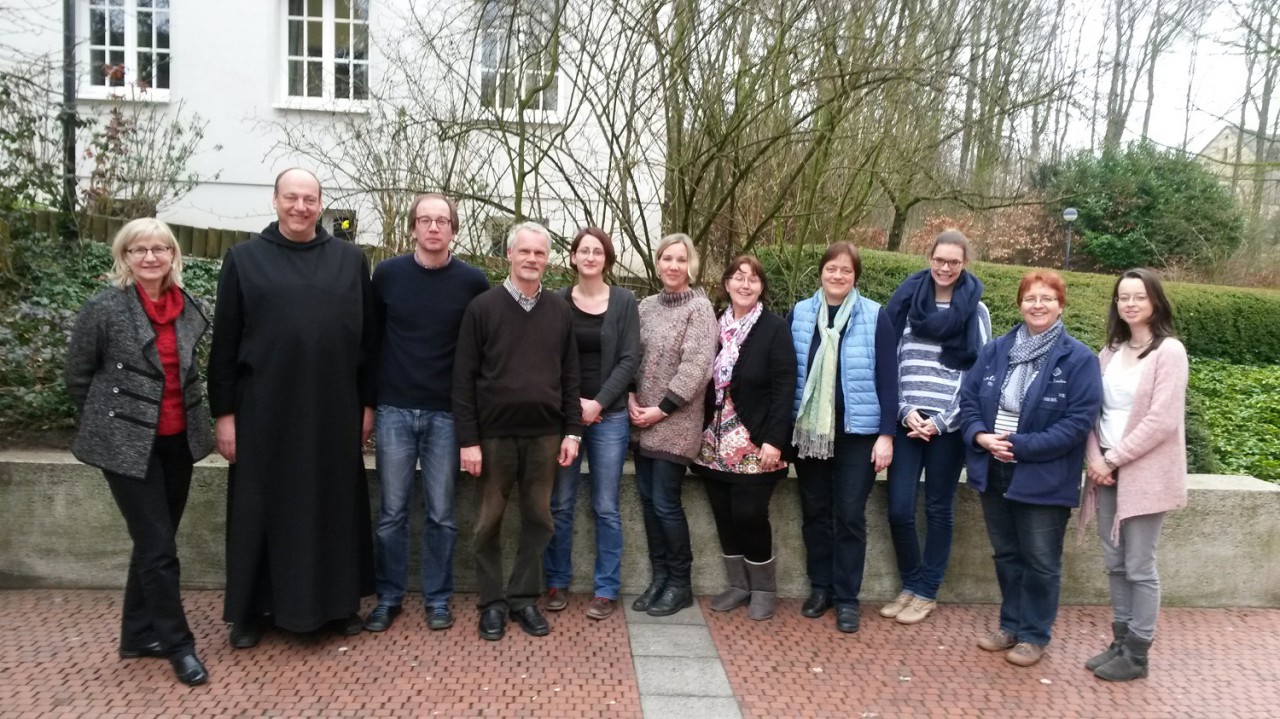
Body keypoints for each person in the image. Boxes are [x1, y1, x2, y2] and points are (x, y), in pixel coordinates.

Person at [208, 168, 377, 648]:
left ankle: (339, 605)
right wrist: (225, 416)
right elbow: (224, 345)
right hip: (263, 409)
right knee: (259, 508)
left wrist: (368, 403)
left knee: (334, 505)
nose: (300, 207)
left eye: (309, 199)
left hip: (333, 409)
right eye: (291, 198)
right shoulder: (244, 259)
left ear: (321, 204)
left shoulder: (349, 260)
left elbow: (368, 342)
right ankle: (251, 610)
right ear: (276, 201)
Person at [64, 218, 214, 686]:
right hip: (126, 446)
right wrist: (111, 423)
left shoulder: (190, 307)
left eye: (159, 249)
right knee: (158, 546)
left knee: (156, 542)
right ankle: (178, 645)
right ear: (124, 257)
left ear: (173, 256)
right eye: (139, 250)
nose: (150, 258)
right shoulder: (104, 308)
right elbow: (78, 376)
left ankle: (137, 634)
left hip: (177, 441)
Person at [960, 270, 1102, 668]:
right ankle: (1010, 625)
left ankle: (1035, 635)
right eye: (1030, 298)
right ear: (1019, 304)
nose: (1038, 305)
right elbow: (969, 400)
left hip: (1043, 474)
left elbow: (1077, 423)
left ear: (1061, 304)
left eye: (1047, 298)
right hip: (994, 467)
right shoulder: (997, 350)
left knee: (1040, 559)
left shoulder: (1079, 359)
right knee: (1006, 554)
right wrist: (980, 437)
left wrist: (1020, 447)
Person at [364, 193, 489, 634]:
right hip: (394, 408)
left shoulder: (473, 282)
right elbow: (371, 341)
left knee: (441, 514)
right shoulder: (388, 275)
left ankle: (438, 599)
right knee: (392, 513)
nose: (433, 228)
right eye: (425, 220)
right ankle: (390, 598)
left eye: (442, 221)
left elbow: (481, 353)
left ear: (454, 229)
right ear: (413, 227)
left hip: (446, 414)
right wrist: (369, 405)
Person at [453, 221, 583, 641]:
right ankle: (491, 603)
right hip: (493, 437)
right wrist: (468, 440)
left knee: (539, 519)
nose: (531, 259)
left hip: (545, 436)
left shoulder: (560, 310)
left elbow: (571, 376)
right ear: (509, 255)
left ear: (548, 259)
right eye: (524, 251)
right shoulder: (483, 308)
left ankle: (523, 598)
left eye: (539, 253)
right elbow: (463, 380)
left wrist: (573, 431)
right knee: (488, 521)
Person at [1080, 268, 1188, 682]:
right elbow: (1092, 410)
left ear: (1155, 301)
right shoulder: (1109, 351)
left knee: (1140, 565)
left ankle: (1138, 653)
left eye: (1138, 297)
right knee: (1114, 563)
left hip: (1143, 474)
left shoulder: (1170, 352)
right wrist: (1096, 459)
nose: (1130, 304)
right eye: (1123, 297)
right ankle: (1120, 640)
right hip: (1105, 471)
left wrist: (1113, 459)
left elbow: (1162, 420)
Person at [881, 230, 992, 625]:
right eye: (939, 260)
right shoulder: (908, 302)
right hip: (907, 420)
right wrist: (904, 410)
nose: (945, 268)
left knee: (938, 508)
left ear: (964, 265)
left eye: (954, 262)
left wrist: (944, 420)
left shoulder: (976, 310)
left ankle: (926, 591)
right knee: (898, 509)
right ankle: (910, 584)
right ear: (929, 258)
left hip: (948, 424)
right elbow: (891, 360)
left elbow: (978, 374)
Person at [789, 241, 898, 634]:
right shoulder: (801, 313)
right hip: (811, 434)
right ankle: (821, 588)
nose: (838, 275)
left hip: (858, 435)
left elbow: (889, 380)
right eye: (832, 268)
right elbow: (792, 373)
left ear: (855, 276)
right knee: (815, 513)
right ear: (821, 271)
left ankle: (848, 597)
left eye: (846, 270)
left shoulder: (874, 315)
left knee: (850, 515)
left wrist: (886, 435)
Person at [542, 228, 640, 620]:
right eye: (583, 250)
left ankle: (605, 589)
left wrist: (597, 402)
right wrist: (574, 407)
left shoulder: (624, 301)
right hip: (566, 417)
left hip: (610, 417)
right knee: (560, 503)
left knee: (605, 507)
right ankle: (555, 581)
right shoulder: (556, 302)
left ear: (607, 259)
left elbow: (629, 359)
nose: (589, 256)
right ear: (572, 257)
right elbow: (549, 359)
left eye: (597, 251)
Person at [692, 255, 795, 621]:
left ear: (761, 287)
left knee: (749, 513)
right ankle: (738, 585)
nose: (745, 285)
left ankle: (764, 589)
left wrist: (775, 440)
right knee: (724, 514)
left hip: (755, 441)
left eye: (752, 279)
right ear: (727, 284)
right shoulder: (714, 326)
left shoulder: (773, 328)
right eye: (738, 278)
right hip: (713, 443)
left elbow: (785, 388)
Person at [629, 233, 717, 617]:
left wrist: (661, 409)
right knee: (648, 504)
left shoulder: (700, 310)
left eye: (681, 260)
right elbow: (632, 355)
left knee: (666, 503)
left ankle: (680, 583)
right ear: (658, 261)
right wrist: (632, 396)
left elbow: (696, 368)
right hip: (641, 418)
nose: (673, 266)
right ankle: (659, 577)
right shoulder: (646, 306)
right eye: (667, 258)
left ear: (690, 266)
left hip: (675, 423)